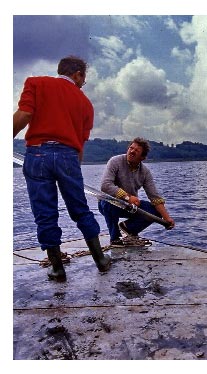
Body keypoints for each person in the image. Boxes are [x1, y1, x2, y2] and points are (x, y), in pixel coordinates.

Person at [13, 55, 111, 282]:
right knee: (80, 209)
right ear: (77, 74)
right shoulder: (86, 104)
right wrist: (71, 171)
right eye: (82, 80)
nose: (81, 85)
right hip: (68, 157)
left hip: (37, 153)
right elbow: (80, 146)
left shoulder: (35, 83)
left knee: (44, 213)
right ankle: (101, 260)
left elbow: (25, 114)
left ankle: (57, 269)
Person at [98, 137, 175, 246]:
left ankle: (129, 229)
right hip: (109, 203)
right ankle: (115, 238)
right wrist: (127, 197)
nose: (132, 151)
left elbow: (155, 198)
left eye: (136, 150)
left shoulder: (145, 172)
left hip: (129, 206)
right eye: (131, 148)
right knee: (108, 203)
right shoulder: (115, 161)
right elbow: (105, 186)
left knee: (155, 211)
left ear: (142, 157)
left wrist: (166, 219)